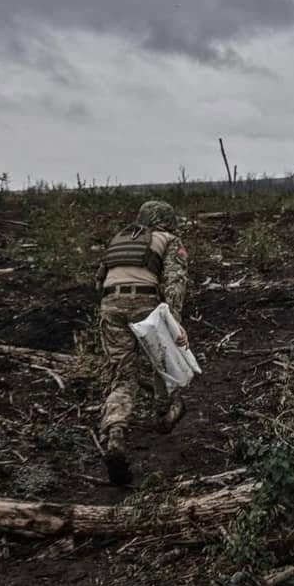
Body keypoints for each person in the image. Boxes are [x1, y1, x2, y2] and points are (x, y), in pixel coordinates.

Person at [94, 200, 190, 486]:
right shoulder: (171, 240)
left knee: (122, 376)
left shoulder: (120, 238)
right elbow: (175, 282)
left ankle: (115, 432)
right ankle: (163, 413)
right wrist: (174, 322)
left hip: (110, 304)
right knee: (162, 361)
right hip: (146, 302)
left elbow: (99, 281)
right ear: (167, 220)